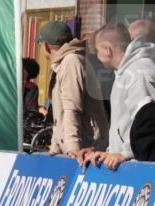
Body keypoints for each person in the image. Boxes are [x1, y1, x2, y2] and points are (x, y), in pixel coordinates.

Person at [81, 24, 155, 169]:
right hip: (127, 165)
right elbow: (124, 124)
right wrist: (109, 152)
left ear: (107, 50)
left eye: (97, 50)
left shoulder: (139, 72)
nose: (97, 56)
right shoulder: (124, 73)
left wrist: (125, 153)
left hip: (140, 168)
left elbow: (149, 123)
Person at [36, 20, 108, 157]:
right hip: (82, 147)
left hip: (86, 148)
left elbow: (72, 108)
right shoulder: (65, 61)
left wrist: (73, 149)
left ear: (45, 46)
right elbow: (60, 115)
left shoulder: (71, 61)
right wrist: (56, 146)